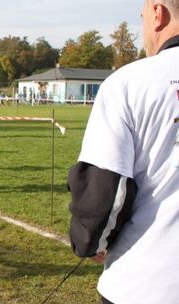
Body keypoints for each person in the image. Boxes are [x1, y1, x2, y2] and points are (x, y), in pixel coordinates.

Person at [68, 1, 179, 303]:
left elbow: (105, 185)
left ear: (158, 14)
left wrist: (90, 241)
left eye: (141, 17)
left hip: (145, 282)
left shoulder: (128, 83)